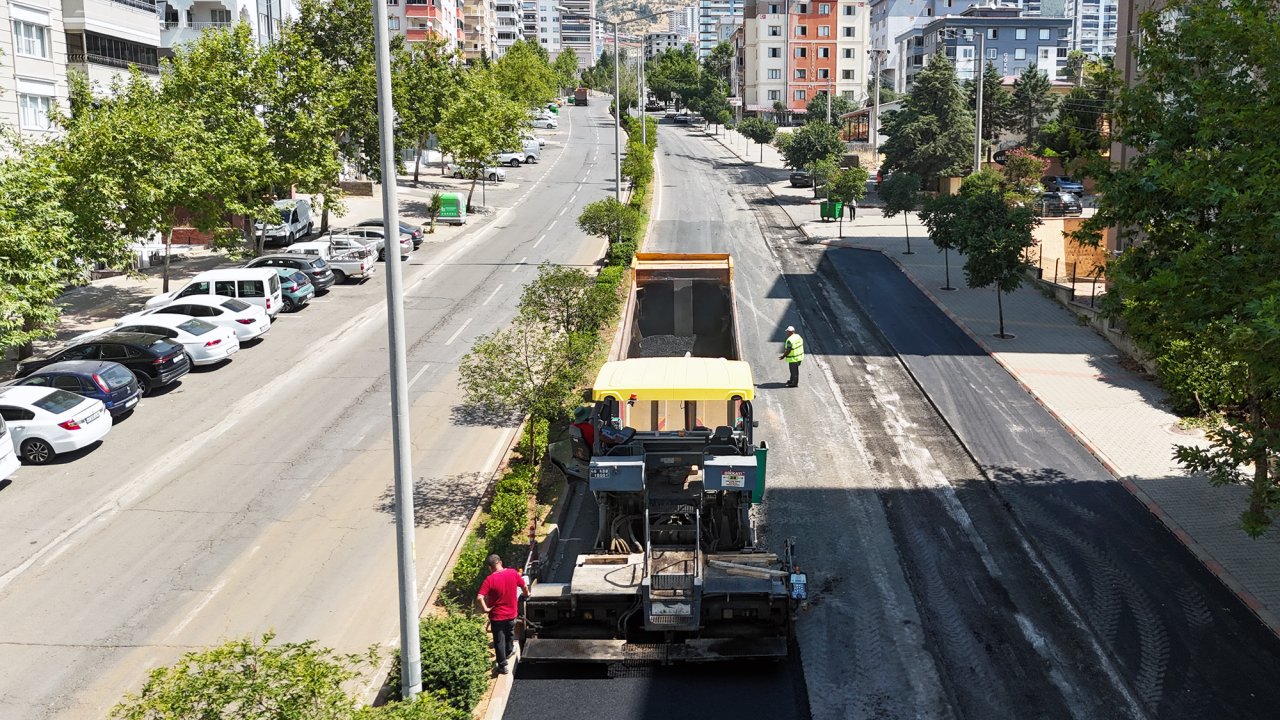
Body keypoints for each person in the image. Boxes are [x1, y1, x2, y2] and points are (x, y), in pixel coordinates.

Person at [476, 554, 527, 675]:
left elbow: (479, 597)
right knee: (509, 633)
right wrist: (527, 594)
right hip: (511, 614)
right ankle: (509, 651)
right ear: (501, 562)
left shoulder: (489, 579)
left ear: (490, 567)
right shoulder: (512, 573)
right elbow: (524, 586)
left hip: (497, 616)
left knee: (499, 640)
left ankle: (503, 665)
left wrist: (485, 608)